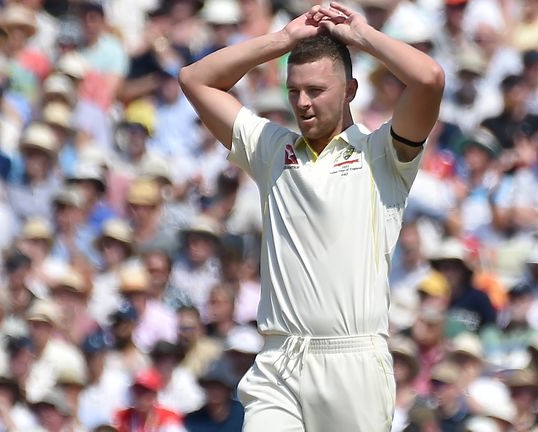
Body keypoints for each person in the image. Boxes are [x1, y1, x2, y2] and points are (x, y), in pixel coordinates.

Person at [179, 2, 444, 430]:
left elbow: (429, 79)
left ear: (351, 90)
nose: (302, 103)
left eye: (317, 90)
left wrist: (362, 37)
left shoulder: (382, 153)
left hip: (353, 362)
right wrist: (281, 40)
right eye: (294, 91)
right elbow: (195, 79)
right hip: (279, 360)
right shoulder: (271, 149)